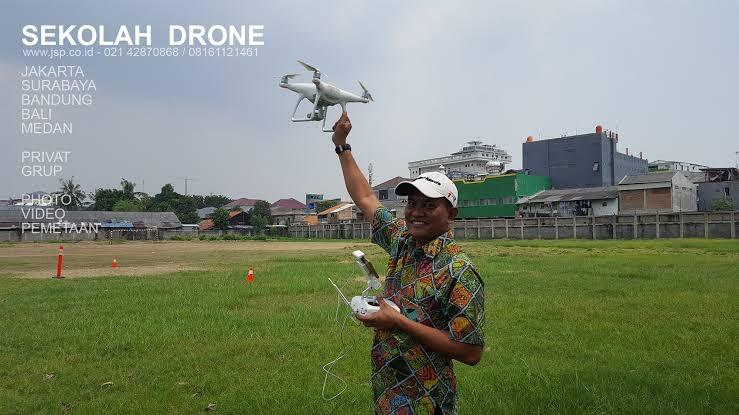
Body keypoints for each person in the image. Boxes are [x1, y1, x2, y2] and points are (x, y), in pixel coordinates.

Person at [332, 112, 485, 415]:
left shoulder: (459, 271)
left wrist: (398, 322)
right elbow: (364, 196)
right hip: (386, 394)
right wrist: (341, 145)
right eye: (412, 203)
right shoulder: (402, 240)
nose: (417, 212)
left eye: (429, 205)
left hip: (428, 403)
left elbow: (471, 352)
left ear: (451, 215)